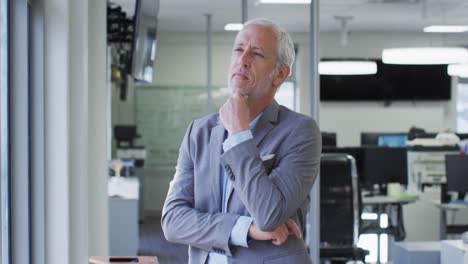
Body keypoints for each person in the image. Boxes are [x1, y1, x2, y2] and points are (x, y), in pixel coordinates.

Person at [162, 18, 321, 264]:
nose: (242, 59)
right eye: (238, 49)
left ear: (280, 74)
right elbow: (172, 221)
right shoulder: (199, 131)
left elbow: (268, 215)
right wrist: (244, 228)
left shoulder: (300, 132)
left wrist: (239, 133)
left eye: (256, 54)